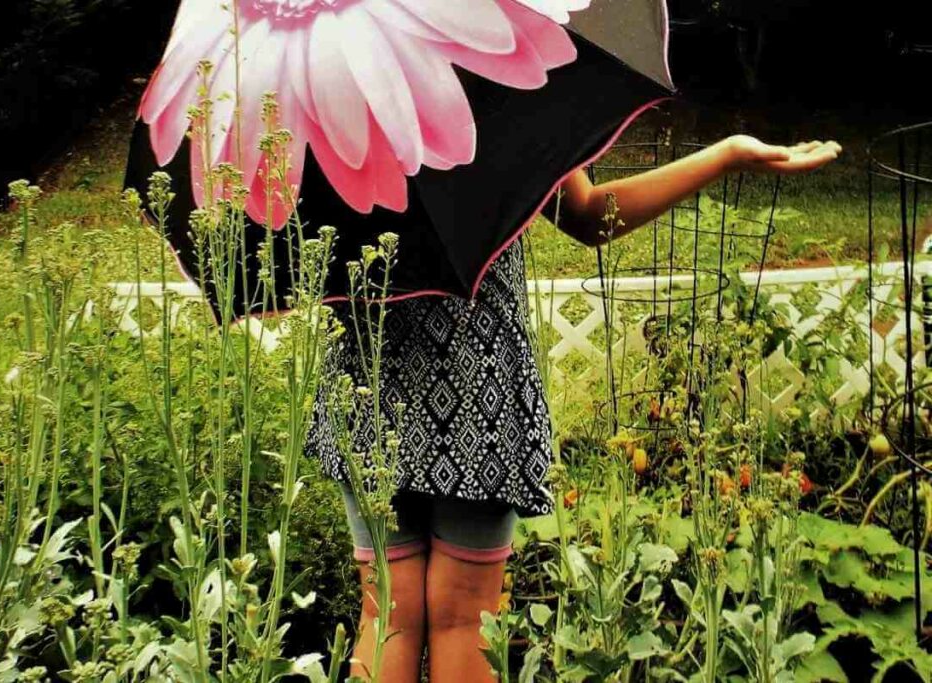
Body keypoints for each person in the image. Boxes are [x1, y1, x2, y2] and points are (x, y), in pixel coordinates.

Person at [303, 134, 841, 682]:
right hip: (475, 387)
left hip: (366, 375)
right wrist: (726, 154)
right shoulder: (491, 88)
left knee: (386, 611)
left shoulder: (327, 86)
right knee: (463, 618)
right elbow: (588, 215)